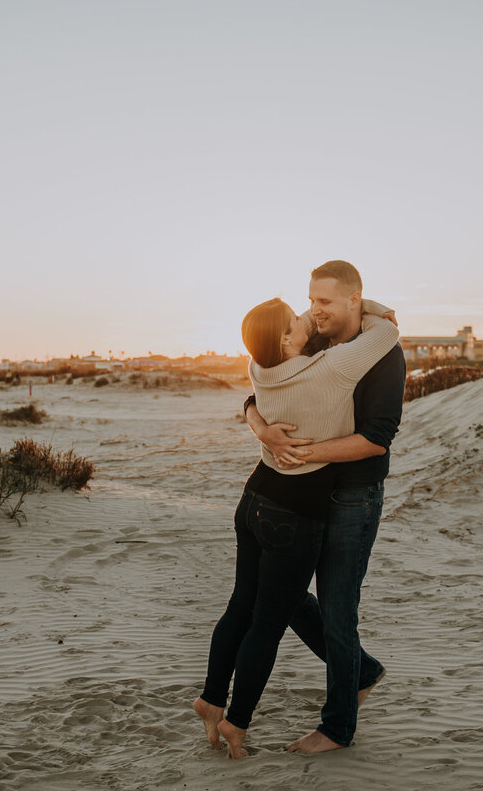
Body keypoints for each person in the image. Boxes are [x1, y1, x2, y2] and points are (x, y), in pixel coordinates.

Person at [194, 290, 399, 759]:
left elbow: (286, 343)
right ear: (288, 340)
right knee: (268, 622)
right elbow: (387, 332)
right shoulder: (329, 367)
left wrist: (261, 427)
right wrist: (371, 306)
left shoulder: (259, 366)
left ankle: (210, 699)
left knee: (241, 604)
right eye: (298, 316)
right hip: (295, 514)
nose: (309, 315)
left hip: (254, 499)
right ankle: (236, 724)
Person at [245, 260, 406, 753]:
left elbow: (376, 439)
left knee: (338, 608)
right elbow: (262, 391)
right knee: (287, 594)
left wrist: (302, 452)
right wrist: (263, 428)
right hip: (305, 496)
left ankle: (338, 726)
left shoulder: (383, 358)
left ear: (354, 300)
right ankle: (363, 669)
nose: (314, 311)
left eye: (325, 302)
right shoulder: (314, 343)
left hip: (354, 495)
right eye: (311, 300)